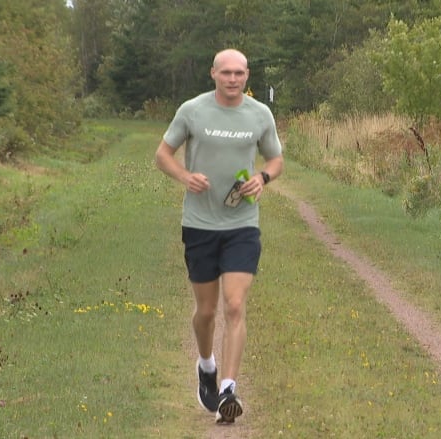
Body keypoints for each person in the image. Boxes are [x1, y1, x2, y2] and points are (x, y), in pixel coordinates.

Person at [154, 48, 284, 424]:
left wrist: (262, 178)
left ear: (247, 76)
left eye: (239, 73)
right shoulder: (192, 110)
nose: (232, 79)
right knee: (207, 312)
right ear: (213, 74)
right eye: (225, 72)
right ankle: (206, 365)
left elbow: (275, 159)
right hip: (200, 224)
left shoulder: (260, 115)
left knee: (234, 305)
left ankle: (228, 388)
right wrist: (185, 176)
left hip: (242, 224)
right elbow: (163, 154)